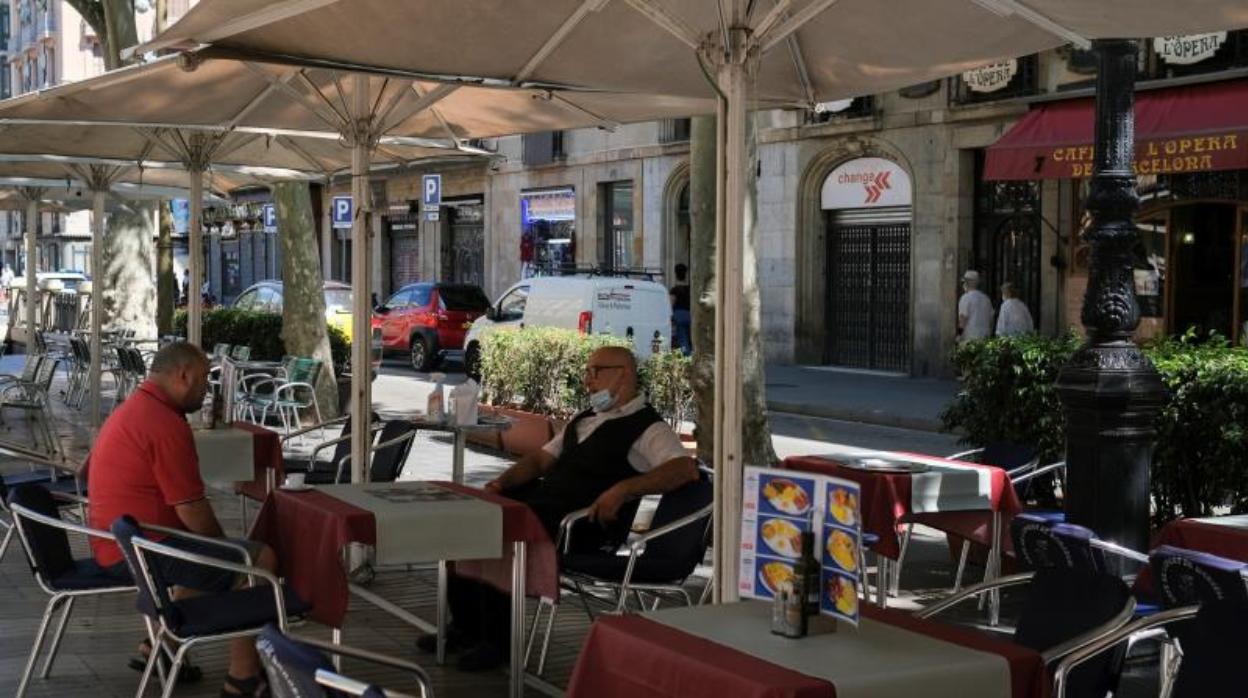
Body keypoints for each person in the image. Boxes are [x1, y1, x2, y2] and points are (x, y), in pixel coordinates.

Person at [420, 346, 699, 671]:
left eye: (596, 372)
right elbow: (540, 459)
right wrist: (503, 482)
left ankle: (497, 642)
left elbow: (684, 469)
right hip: (544, 507)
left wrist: (624, 489)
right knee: (467, 521)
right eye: (586, 372)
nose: (587, 380)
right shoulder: (585, 418)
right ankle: (465, 627)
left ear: (623, 373)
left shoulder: (649, 428)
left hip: (581, 526)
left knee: (498, 534)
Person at [89, 342, 277, 697]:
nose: (207, 389)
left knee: (210, 554)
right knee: (257, 560)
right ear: (183, 375)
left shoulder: (135, 407)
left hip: (120, 540)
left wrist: (218, 550)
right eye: (205, 378)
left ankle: (160, 646)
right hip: (138, 548)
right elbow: (191, 507)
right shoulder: (163, 424)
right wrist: (230, 553)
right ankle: (243, 678)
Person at [957, 270, 994, 344]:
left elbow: (963, 319)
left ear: (967, 283)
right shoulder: (986, 299)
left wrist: (958, 335)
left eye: (964, 282)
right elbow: (991, 320)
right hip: (984, 339)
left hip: (970, 339)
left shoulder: (966, 298)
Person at [669, 263, 692, 354]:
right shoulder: (690, 289)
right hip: (690, 315)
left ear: (675, 274)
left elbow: (671, 304)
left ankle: (686, 356)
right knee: (690, 338)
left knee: (683, 339)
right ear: (686, 274)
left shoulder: (674, 290)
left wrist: (670, 317)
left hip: (679, 315)